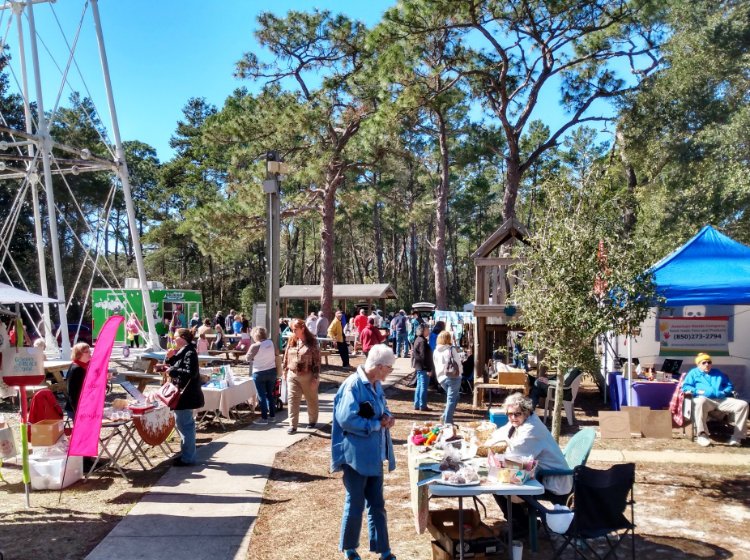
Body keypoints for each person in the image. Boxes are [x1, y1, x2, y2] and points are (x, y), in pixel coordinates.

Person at [331, 344, 397, 560]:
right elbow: (346, 419)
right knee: (355, 503)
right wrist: (376, 425)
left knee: (377, 504)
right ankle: (350, 550)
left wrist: (387, 417)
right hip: (356, 457)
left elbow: (382, 407)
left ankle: (384, 551)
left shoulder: (375, 384)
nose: (390, 373)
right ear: (379, 367)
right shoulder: (353, 386)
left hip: (374, 455)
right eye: (390, 368)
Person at [486, 392, 572, 538]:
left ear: (527, 412)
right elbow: (502, 433)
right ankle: (522, 520)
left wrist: (490, 450)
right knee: (499, 479)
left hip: (553, 481)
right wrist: (487, 442)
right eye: (509, 414)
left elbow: (514, 456)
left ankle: (522, 524)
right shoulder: (523, 421)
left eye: (517, 414)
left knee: (497, 483)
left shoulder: (531, 429)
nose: (513, 417)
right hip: (538, 473)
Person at [682, 353, 748, 447]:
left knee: (743, 404)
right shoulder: (693, 373)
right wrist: (698, 391)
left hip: (721, 399)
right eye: (704, 362)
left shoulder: (717, 372)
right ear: (698, 364)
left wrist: (724, 392)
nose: (707, 364)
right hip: (705, 399)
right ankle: (702, 435)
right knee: (699, 402)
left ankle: (737, 437)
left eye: (709, 362)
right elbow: (685, 387)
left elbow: (729, 386)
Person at [165, 328, 204, 466]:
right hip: (184, 395)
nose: (173, 339)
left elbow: (190, 372)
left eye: (175, 336)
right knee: (184, 425)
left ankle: (188, 458)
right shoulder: (184, 351)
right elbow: (174, 363)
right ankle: (187, 455)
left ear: (182, 337)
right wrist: (169, 358)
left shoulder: (189, 352)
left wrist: (172, 371)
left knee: (186, 426)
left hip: (186, 395)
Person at [282, 318, 321, 434]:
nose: (293, 332)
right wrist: (284, 369)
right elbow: (286, 355)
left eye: (295, 329)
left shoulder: (312, 342)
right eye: (292, 329)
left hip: (307, 375)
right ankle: (293, 425)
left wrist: (315, 377)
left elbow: (317, 361)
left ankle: (312, 420)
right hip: (292, 374)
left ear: (302, 328)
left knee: (311, 399)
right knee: (292, 399)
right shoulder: (292, 340)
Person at [245, 326, 278, 425]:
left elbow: (247, 358)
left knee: (261, 396)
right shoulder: (270, 342)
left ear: (255, 336)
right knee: (270, 395)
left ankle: (264, 418)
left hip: (259, 372)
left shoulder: (255, 346)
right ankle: (272, 416)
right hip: (271, 371)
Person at [433, 331, 462, 424]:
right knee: (452, 399)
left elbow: (435, 364)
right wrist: (460, 373)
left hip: (441, 378)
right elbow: (458, 362)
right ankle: (448, 422)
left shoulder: (436, 351)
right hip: (453, 376)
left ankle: (445, 416)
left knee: (455, 397)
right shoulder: (451, 349)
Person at [65, 342, 92, 417]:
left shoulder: (82, 366)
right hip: (76, 408)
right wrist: (79, 412)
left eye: (89, 351)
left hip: (81, 406)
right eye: (86, 352)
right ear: (78, 354)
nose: (90, 353)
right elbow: (73, 394)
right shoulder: (78, 369)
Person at [411, 324, 433, 411]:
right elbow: (423, 356)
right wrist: (428, 369)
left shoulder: (418, 339)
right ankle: (422, 405)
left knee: (419, 386)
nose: (429, 331)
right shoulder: (422, 341)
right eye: (427, 329)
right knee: (423, 387)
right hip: (423, 367)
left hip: (419, 366)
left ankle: (417, 404)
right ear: (423, 330)